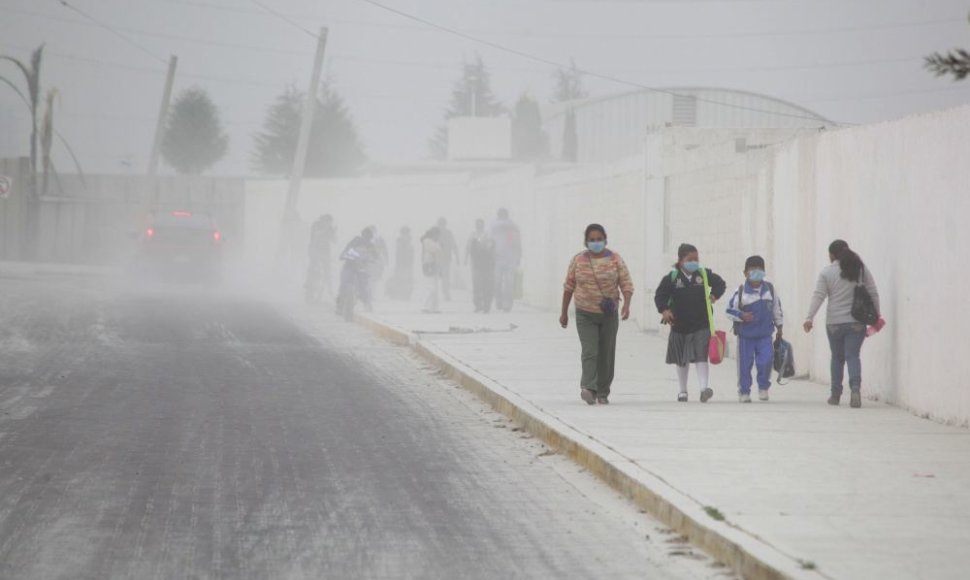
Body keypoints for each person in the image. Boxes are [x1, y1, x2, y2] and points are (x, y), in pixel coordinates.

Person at [560, 224, 634, 405]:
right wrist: (564, 313)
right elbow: (569, 286)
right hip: (585, 313)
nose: (595, 243)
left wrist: (626, 306)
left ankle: (602, 391)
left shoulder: (615, 259)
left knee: (606, 353)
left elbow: (626, 284)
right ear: (586, 241)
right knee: (590, 351)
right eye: (591, 240)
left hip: (608, 314)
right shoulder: (578, 260)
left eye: (599, 239)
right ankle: (588, 387)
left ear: (605, 239)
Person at [803, 240, 880, 408]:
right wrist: (876, 315)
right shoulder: (860, 268)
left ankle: (835, 394)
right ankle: (855, 389)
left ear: (831, 255)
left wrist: (809, 317)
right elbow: (873, 291)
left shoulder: (826, 272)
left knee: (837, 358)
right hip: (856, 322)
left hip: (834, 323)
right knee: (853, 356)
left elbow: (819, 295)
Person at [654, 243, 726, 403]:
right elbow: (660, 295)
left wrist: (715, 295)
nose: (694, 262)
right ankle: (682, 391)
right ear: (680, 261)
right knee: (682, 359)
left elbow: (721, 284)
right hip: (679, 325)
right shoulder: (672, 278)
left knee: (701, 356)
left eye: (696, 259)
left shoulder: (704, 275)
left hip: (701, 324)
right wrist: (664, 310)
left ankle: (703, 389)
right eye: (690, 259)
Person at [725, 256, 784, 403]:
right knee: (744, 365)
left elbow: (777, 309)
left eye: (760, 269)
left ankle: (763, 387)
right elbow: (728, 311)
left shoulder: (770, 290)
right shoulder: (740, 292)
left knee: (766, 360)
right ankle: (744, 392)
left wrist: (780, 327)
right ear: (745, 273)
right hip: (746, 336)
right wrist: (741, 315)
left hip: (765, 335)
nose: (756, 272)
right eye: (752, 269)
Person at [336, 227, 376, 320]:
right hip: (349, 266)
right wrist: (343, 255)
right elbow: (346, 249)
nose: (366, 238)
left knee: (364, 286)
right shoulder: (355, 241)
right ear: (362, 235)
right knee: (343, 284)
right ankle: (339, 305)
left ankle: (367, 303)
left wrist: (373, 259)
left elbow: (375, 255)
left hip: (361, 268)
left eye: (368, 236)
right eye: (365, 235)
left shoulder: (371, 245)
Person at [491, 208, 522, 312]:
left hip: (510, 258)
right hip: (498, 258)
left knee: (507, 282)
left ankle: (506, 304)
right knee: (499, 282)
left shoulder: (512, 227)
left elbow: (518, 243)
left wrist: (518, 257)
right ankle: (501, 302)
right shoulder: (494, 226)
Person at [465, 218, 495, 313]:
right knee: (477, 285)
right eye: (478, 224)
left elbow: (492, 249)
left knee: (486, 285)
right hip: (476, 264)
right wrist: (465, 258)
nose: (479, 226)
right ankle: (478, 304)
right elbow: (468, 247)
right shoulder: (472, 235)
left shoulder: (487, 235)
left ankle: (486, 305)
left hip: (486, 265)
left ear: (483, 225)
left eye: (480, 224)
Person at [305, 214, 335, 302]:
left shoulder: (330, 228)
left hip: (325, 251)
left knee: (327, 269)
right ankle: (308, 282)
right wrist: (325, 230)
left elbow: (334, 240)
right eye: (327, 221)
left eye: (330, 222)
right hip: (314, 248)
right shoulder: (316, 225)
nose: (328, 223)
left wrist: (333, 233)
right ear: (323, 220)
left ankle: (329, 288)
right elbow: (315, 234)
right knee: (313, 266)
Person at [385, 226, 414, 300]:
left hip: (405, 264)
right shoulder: (400, 241)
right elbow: (399, 254)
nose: (405, 235)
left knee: (405, 279)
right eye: (404, 233)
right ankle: (401, 294)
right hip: (402, 264)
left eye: (406, 233)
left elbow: (405, 254)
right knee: (402, 279)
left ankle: (404, 295)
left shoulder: (407, 242)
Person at [436, 218, 459, 301]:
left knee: (445, 278)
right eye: (440, 224)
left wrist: (457, 257)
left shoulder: (449, 233)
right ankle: (436, 294)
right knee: (435, 278)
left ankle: (445, 293)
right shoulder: (434, 233)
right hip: (436, 259)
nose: (441, 226)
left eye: (443, 224)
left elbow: (454, 244)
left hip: (445, 259)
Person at [421, 226, 443, 314]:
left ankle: (434, 308)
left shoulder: (435, 242)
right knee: (432, 287)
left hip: (435, 265)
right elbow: (436, 251)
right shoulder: (427, 242)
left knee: (436, 287)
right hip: (429, 265)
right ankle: (425, 306)